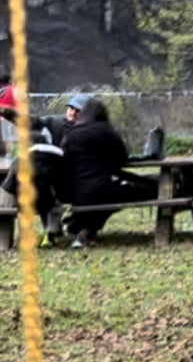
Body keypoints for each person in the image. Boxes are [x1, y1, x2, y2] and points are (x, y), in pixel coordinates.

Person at [60, 98, 152, 248]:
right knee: (128, 193)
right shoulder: (108, 132)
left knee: (99, 199)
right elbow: (122, 159)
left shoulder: (72, 134)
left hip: (74, 192)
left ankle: (80, 227)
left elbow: (64, 160)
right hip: (103, 189)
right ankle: (83, 229)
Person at [0, 92, 89, 240]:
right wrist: (9, 113)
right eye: (71, 108)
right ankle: (51, 230)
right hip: (46, 176)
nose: (72, 113)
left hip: (69, 181)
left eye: (77, 110)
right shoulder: (55, 122)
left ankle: (57, 229)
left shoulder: (87, 132)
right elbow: (31, 122)